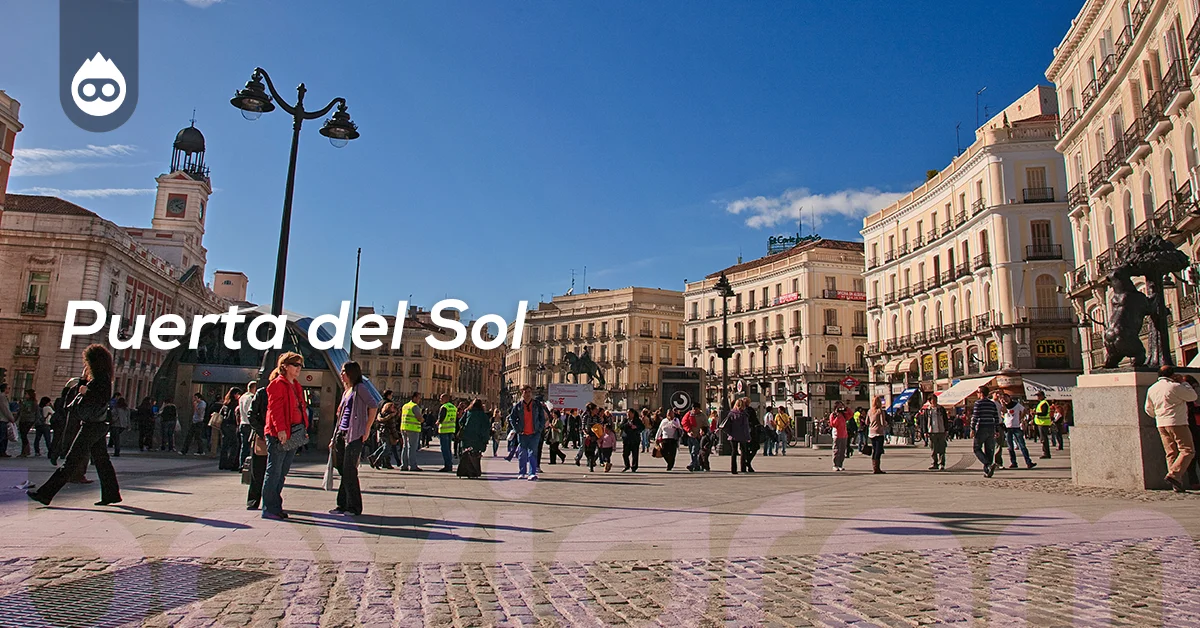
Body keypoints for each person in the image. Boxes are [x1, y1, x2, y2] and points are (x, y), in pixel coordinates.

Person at [28, 344, 121, 507]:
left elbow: (101, 398)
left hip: (92, 425)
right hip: (97, 424)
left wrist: (86, 391)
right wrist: (85, 380)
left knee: (71, 461)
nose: (86, 365)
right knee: (102, 461)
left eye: (88, 361)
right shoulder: (100, 377)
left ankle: (45, 494)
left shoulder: (102, 379)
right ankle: (111, 494)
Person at [261, 352, 308, 520]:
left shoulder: (296, 385)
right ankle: (269, 507)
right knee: (274, 470)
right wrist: (281, 429)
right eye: (296, 365)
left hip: (294, 432)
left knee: (282, 471)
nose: (299, 369)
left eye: (300, 365)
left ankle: (275, 505)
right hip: (279, 433)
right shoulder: (277, 384)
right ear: (285, 366)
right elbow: (275, 410)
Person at [330, 361, 378, 516]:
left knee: (350, 469)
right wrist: (334, 436)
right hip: (341, 433)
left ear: (351, 373)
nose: (341, 373)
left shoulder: (360, 388)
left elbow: (373, 406)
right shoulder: (346, 391)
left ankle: (354, 507)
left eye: (344, 371)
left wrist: (367, 428)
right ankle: (342, 504)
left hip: (354, 434)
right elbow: (341, 415)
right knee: (342, 469)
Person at [1144, 365, 1197, 492]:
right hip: (1177, 422)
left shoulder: (1152, 389)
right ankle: (1174, 474)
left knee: (1171, 452)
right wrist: (1184, 382)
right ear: (1172, 375)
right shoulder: (1175, 386)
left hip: (1161, 423)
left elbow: (1148, 409)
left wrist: (1158, 415)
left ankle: (1176, 484)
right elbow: (1192, 396)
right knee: (1188, 450)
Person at [507, 385, 547, 480]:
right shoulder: (518, 406)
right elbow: (511, 418)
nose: (528, 394)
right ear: (522, 393)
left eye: (529, 392)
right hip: (522, 433)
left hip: (534, 433)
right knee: (522, 454)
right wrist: (517, 429)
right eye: (526, 392)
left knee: (533, 453)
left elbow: (542, 417)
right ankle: (522, 472)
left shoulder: (537, 405)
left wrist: (540, 428)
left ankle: (532, 473)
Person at [970, 386, 1003, 478]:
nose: (977, 394)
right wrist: (996, 429)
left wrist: (972, 428)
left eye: (977, 392)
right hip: (991, 428)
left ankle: (988, 464)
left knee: (976, 448)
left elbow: (975, 416)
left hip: (981, 427)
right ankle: (987, 471)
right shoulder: (991, 404)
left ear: (981, 393)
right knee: (989, 450)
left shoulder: (978, 403)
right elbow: (996, 417)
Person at [999, 392, 1036, 470]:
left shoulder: (1016, 405)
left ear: (1009, 398)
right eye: (1003, 398)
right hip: (1007, 427)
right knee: (1010, 447)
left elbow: (1024, 410)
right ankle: (1013, 462)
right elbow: (1004, 411)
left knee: (1022, 445)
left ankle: (1028, 462)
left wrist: (1021, 417)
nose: (1005, 399)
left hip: (1016, 427)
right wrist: (1003, 404)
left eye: (1006, 397)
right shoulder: (1003, 406)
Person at [456, 399, 491, 478]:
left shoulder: (468, 412)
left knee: (467, 453)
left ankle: (465, 471)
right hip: (478, 438)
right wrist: (485, 439)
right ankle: (474, 471)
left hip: (467, 437)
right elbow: (486, 427)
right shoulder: (483, 415)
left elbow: (461, 421)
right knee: (475, 454)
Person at [217, 388, 243, 471]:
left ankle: (222, 463)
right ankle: (230, 463)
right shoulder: (235, 404)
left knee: (225, 444)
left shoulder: (226, 403)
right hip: (232, 425)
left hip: (224, 424)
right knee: (234, 445)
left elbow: (221, 413)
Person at [921, 395, 949, 470]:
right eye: (933, 400)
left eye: (936, 399)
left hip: (941, 431)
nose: (935, 401)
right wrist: (925, 431)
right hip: (931, 431)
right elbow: (924, 421)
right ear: (930, 401)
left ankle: (942, 463)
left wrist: (946, 430)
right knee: (933, 449)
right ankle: (934, 463)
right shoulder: (927, 410)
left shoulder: (941, 409)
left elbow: (945, 419)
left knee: (942, 448)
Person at [399, 392, 424, 471]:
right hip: (413, 428)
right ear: (414, 398)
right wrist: (422, 419)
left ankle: (404, 465)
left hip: (404, 428)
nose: (419, 400)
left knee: (405, 447)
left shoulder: (405, 406)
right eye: (419, 398)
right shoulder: (415, 406)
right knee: (412, 447)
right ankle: (413, 466)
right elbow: (419, 418)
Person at [725, 398, 751, 474]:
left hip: (733, 435)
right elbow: (746, 427)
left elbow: (728, 424)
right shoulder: (744, 414)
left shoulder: (731, 413)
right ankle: (743, 468)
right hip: (742, 435)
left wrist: (729, 433)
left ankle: (733, 469)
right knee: (743, 451)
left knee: (734, 451)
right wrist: (748, 437)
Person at [237, 382, 258, 467]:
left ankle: (241, 463)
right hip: (249, 424)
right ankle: (246, 465)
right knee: (249, 446)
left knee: (244, 445)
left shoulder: (242, 397)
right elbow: (250, 411)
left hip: (243, 422)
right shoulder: (251, 397)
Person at [436, 393, 457, 473]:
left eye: (441, 398)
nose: (440, 400)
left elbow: (441, 418)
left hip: (444, 429)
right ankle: (449, 464)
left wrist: (438, 422)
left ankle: (447, 465)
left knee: (444, 449)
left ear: (446, 399)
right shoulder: (453, 407)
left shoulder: (444, 407)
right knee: (448, 448)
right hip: (451, 429)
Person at [867, 396, 888, 474]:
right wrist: (886, 424)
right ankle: (877, 468)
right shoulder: (880, 411)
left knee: (874, 449)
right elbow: (883, 423)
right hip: (879, 432)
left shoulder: (869, 411)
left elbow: (867, 422)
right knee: (878, 451)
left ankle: (874, 467)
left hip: (871, 433)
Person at [1031, 392, 1054, 460]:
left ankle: (1046, 453)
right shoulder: (1041, 403)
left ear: (1042, 396)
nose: (1037, 397)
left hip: (1043, 423)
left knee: (1044, 439)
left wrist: (1035, 413)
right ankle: (1045, 452)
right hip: (1040, 423)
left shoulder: (1044, 403)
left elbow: (1044, 413)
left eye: (1038, 396)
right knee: (1043, 439)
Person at [16, 389, 38, 457]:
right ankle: (25, 451)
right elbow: (20, 411)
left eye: (26, 394)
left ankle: (25, 451)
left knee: (24, 435)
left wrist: (22, 405)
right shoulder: (25, 402)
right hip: (23, 419)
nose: (25, 395)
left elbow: (31, 411)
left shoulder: (33, 403)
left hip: (29, 420)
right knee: (23, 435)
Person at [830, 402, 849, 471]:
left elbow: (851, 414)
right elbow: (833, 424)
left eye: (841, 407)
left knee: (842, 451)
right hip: (837, 435)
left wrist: (846, 408)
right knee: (836, 450)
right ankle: (835, 465)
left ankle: (840, 464)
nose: (840, 408)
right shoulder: (833, 415)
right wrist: (837, 416)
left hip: (844, 434)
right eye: (839, 407)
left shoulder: (844, 415)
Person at [0, 383, 13, 457]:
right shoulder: (2, 397)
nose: (9, 390)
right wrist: (11, 418)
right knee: (3, 436)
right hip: (3, 419)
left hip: (3, 419)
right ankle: (2, 451)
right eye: (8, 388)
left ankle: (2, 451)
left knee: (3, 436)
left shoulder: (3, 397)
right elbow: (5, 409)